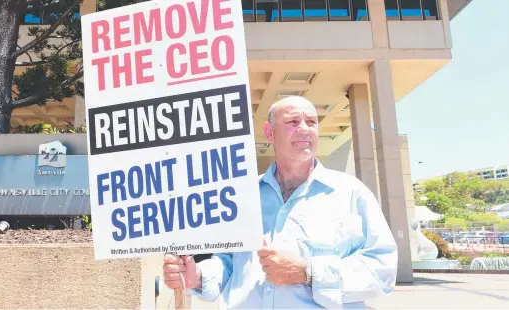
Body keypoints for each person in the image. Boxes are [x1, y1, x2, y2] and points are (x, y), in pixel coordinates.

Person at [162, 96, 398, 309]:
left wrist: (307, 273)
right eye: (293, 122)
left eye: (312, 122)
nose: (305, 129)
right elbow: (229, 264)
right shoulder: (243, 195)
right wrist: (198, 277)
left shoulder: (351, 193)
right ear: (270, 133)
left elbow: (382, 271)